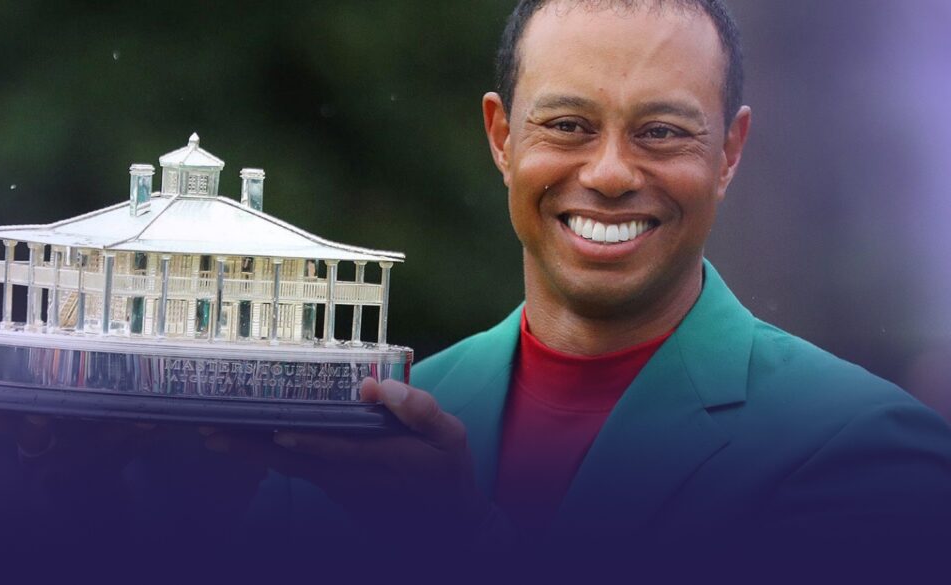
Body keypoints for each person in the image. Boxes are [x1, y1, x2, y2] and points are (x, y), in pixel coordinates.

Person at [202, 0, 951, 573]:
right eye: (566, 125)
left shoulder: (871, 452)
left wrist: (460, 541)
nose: (611, 173)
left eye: (661, 131)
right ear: (501, 138)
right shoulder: (343, 454)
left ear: (729, 151)